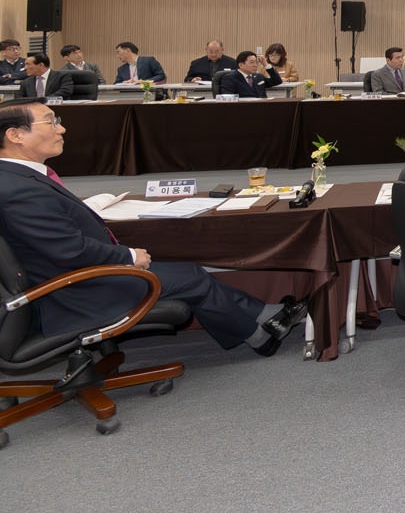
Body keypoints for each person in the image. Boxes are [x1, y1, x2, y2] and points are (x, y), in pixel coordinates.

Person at [0, 102, 306, 354]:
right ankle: (262, 332)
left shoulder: (18, 178)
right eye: (51, 122)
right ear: (16, 135)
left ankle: (261, 325)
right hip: (75, 293)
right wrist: (128, 257)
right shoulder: (18, 189)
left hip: (74, 280)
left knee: (187, 272)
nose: (61, 129)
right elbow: (68, 251)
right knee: (191, 276)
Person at [217, 51, 282, 98]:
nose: (255, 65)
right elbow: (228, 98)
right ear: (241, 65)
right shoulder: (229, 78)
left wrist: (266, 65)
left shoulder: (258, 77)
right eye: (252, 62)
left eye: (256, 62)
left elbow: (277, 81)